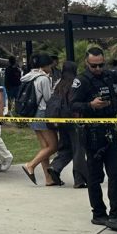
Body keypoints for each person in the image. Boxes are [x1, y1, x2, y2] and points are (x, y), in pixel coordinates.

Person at [69, 46, 117, 233]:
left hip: (109, 132)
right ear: (87, 63)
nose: (97, 69)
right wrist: (90, 105)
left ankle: (116, 215)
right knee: (95, 177)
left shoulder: (108, 76)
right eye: (94, 66)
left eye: (101, 65)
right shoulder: (81, 80)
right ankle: (98, 213)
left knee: (116, 174)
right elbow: (72, 104)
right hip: (92, 133)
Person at [21, 53, 60, 186]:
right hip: (42, 113)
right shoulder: (43, 78)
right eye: (50, 65)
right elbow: (48, 98)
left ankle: (48, 179)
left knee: (45, 147)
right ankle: (30, 165)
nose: (51, 67)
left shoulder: (28, 76)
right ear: (46, 65)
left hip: (32, 114)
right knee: (54, 145)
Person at [47, 60, 87, 188]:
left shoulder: (58, 83)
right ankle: (79, 179)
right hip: (73, 120)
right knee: (78, 149)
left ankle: (55, 167)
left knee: (66, 148)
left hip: (60, 120)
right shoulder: (75, 83)